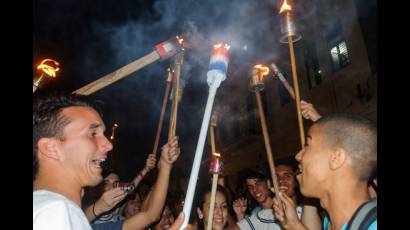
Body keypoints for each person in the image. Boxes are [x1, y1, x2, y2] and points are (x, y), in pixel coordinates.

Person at [273, 114, 377, 230]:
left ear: (336, 159)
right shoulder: (330, 223)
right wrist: (293, 225)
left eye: (307, 145)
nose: (298, 156)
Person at [33, 93, 114, 230]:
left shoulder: (46, 208)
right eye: (93, 134)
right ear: (51, 148)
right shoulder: (55, 212)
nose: (109, 145)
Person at [88, 153, 156, 223]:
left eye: (115, 183)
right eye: (107, 182)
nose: (111, 187)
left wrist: (146, 169)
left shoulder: (118, 216)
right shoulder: (88, 205)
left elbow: (131, 187)